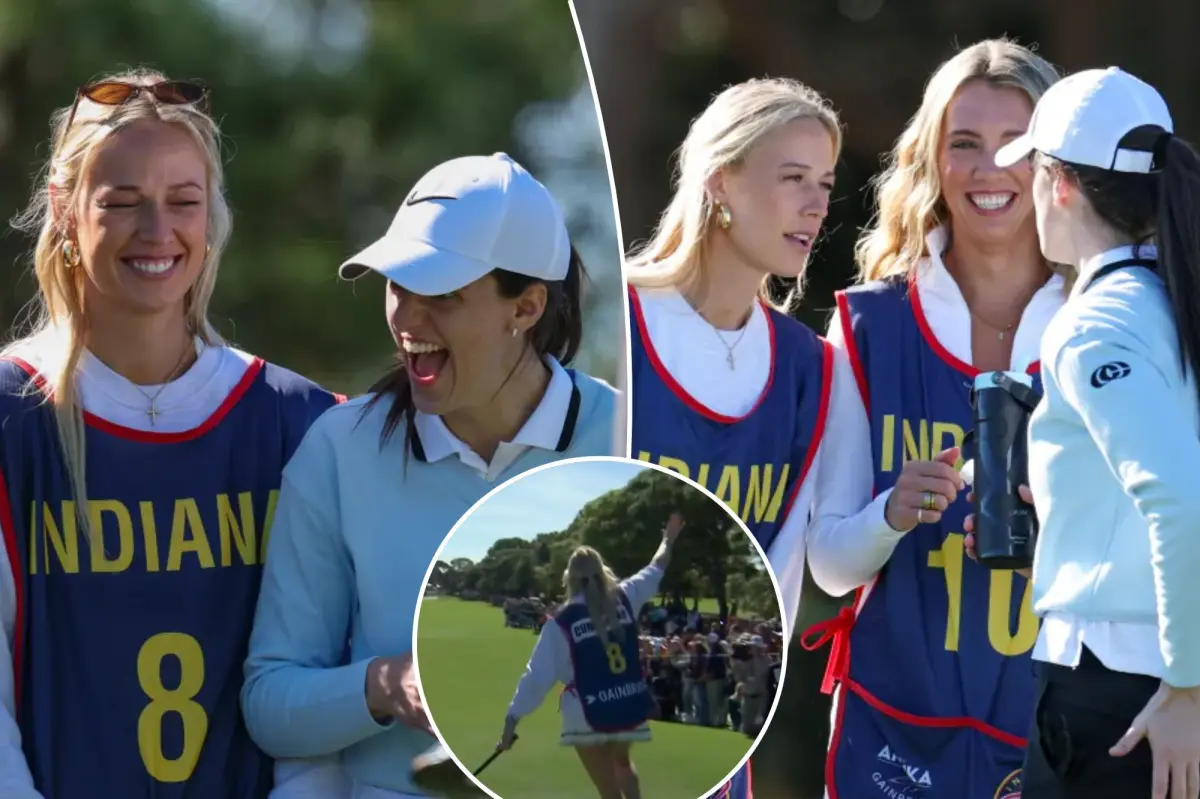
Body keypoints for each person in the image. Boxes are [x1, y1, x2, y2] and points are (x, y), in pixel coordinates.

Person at [0, 70, 343, 798]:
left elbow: (320, 715)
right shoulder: (11, 416)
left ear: (212, 212)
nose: (157, 233)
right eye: (122, 203)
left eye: (182, 202)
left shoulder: (303, 423)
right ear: (64, 210)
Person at [240, 152, 621, 798]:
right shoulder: (338, 450)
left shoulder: (624, 436)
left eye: (442, 295)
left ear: (526, 307)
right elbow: (271, 703)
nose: (408, 320)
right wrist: (387, 683)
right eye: (397, 286)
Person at [798, 40, 1064, 799]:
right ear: (932, 162)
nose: (988, 169)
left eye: (1015, 144)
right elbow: (829, 563)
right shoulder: (868, 327)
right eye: (964, 144)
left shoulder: (1107, 325)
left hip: (1059, 728)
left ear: (1052, 163)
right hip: (894, 729)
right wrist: (890, 511)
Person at [972, 65, 1200, 799]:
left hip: (1122, 694)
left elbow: (1181, 498)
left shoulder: (1098, 322)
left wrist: (1190, 688)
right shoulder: (1174, 298)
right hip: (1149, 685)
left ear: (1058, 183)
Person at [625, 76, 841, 636]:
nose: (816, 206)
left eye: (824, 183)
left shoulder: (809, 366)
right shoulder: (618, 321)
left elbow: (784, 573)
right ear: (721, 182)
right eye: (793, 178)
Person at [496, 512, 684, 799]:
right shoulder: (625, 596)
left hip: (587, 712)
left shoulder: (561, 621)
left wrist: (511, 723)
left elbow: (537, 677)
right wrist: (668, 538)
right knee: (623, 764)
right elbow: (657, 565)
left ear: (569, 577)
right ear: (602, 570)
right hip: (628, 704)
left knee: (608, 792)